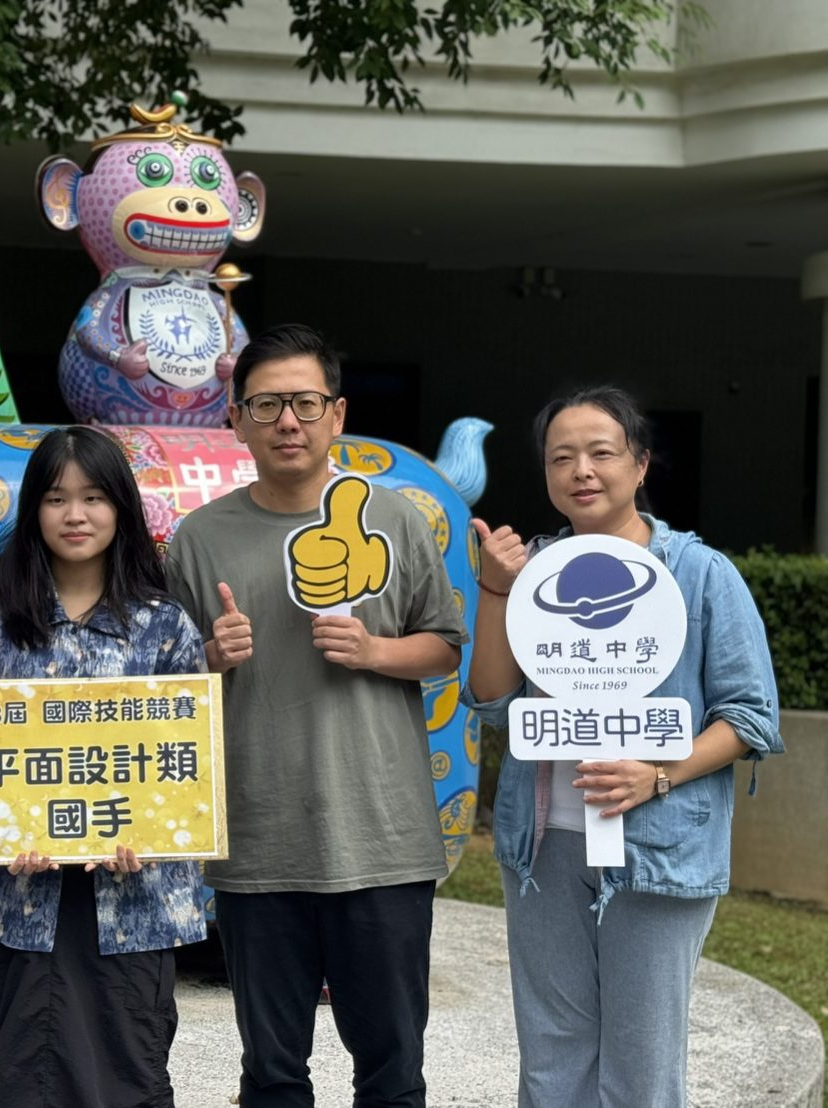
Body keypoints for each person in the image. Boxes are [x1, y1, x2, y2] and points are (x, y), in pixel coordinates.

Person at [164, 323, 466, 1108]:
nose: (287, 422)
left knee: (392, 1074)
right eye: (265, 405)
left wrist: (373, 651)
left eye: (304, 402)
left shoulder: (393, 518)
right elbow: (165, 689)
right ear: (235, 421)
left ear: (336, 414)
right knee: (271, 1075)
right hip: (257, 841)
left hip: (383, 839)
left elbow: (443, 647)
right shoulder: (199, 538)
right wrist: (209, 657)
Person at [464, 385, 782, 1108]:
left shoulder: (700, 573)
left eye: (600, 453)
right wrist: (495, 590)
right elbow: (493, 702)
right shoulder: (529, 570)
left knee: (642, 1065)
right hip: (544, 844)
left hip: (658, 848)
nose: (581, 470)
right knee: (551, 1058)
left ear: (639, 464)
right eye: (561, 457)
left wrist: (657, 775)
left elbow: (749, 716)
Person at [0, 425, 207, 1108]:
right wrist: (5, 831)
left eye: (93, 497)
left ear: (120, 508)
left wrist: (150, 833)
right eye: (56, 498)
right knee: (20, 1075)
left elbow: (185, 762)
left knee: (129, 1071)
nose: (75, 515)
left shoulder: (164, 625)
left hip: (135, 895)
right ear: (33, 509)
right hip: (17, 894)